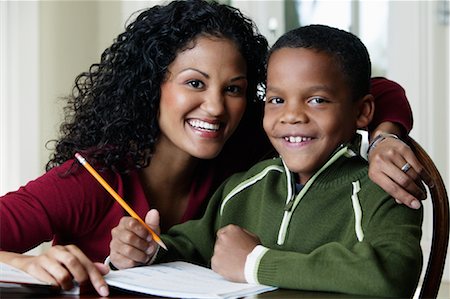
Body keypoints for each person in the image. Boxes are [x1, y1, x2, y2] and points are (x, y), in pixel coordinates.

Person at [0, 0, 425, 296]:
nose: (217, 107)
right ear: (152, 86)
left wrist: (385, 136)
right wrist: (21, 266)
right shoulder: (90, 179)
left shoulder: (253, 143)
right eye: (194, 83)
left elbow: (366, 89)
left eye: (235, 89)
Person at [118, 24, 423, 297]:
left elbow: (393, 275)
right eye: (276, 100)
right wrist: (147, 250)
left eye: (316, 100)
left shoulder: (384, 187)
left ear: (362, 113)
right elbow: (188, 245)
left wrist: (256, 262)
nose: (291, 115)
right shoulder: (245, 186)